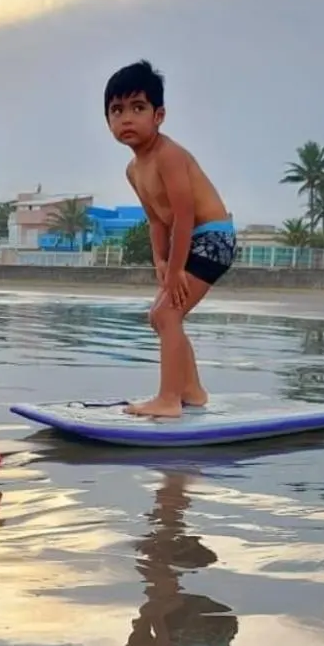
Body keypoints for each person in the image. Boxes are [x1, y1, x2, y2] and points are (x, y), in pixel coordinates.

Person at [105, 59, 235, 418]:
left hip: (212, 238)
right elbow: (156, 220)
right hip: (187, 242)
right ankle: (191, 390)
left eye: (138, 108)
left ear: (159, 115)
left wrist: (178, 269)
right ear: (108, 122)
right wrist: (161, 262)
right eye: (117, 111)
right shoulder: (134, 169)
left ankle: (169, 399)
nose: (126, 118)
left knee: (166, 314)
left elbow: (184, 215)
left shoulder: (169, 156)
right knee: (160, 315)